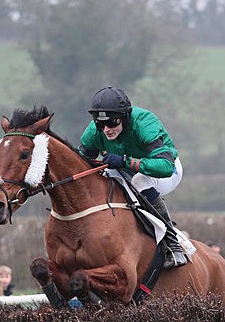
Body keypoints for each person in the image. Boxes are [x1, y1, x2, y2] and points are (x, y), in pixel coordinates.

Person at [78, 86, 187, 269]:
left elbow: (165, 167)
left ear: (125, 117)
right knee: (103, 179)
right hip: (124, 171)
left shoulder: (144, 123)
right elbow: (79, 162)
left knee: (139, 180)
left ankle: (173, 244)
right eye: (101, 124)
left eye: (112, 123)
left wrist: (125, 161)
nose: (106, 129)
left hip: (166, 171)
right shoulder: (95, 131)